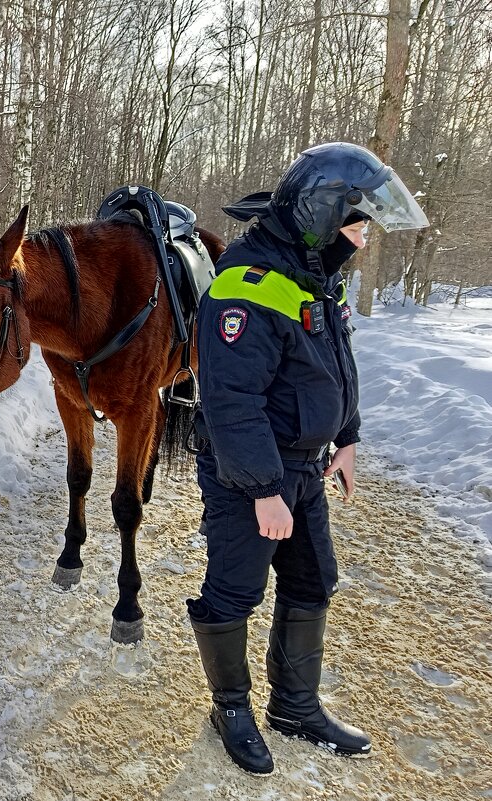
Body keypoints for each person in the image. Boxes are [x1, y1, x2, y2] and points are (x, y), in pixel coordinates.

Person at [188, 142, 428, 774]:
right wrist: (264, 489)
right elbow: (231, 400)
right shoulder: (247, 286)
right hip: (248, 473)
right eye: (357, 225)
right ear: (320, 216)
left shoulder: (314, 273)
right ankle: (230, 709)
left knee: (312, 580)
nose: (364, 239)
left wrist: (347, 435)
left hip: (302, 466)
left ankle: (294, 706)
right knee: (233, 591)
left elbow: (334, 363)